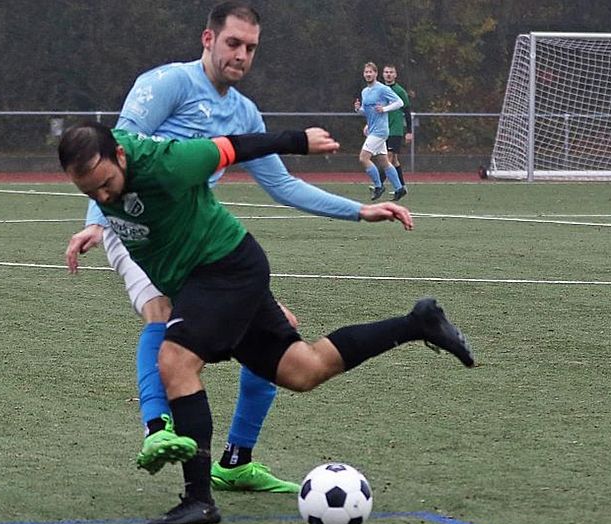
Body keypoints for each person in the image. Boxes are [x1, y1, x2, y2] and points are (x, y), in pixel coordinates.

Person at [66, 1, 411, 495]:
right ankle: (157, 429)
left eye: (250, 47)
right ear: (208, 40)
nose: (242, 55)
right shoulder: (166, 83)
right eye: (233, 43)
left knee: (284, 331)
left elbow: (283, 186)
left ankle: (236, 459)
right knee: (162, 316)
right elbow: (115, 150)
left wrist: (357, 210)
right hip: (137, 229)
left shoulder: (244, 112)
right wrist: (98, 222)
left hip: (201, 244)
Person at [58, 122, 475, 524]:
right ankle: (418, 323)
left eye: (106, 183)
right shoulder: (105, 174)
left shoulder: (169, 163)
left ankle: (199, 499)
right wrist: (95, 222)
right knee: (304, 369)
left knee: (175, 362)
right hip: (210, 278)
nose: (102, 194)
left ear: (120, 155)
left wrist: (299, 141)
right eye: (88, 191)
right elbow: (108, 196)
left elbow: (233, 146)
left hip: (222, 269)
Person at [353, 62, 407, 201]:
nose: (368, 74)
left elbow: (399, 102)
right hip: (373, 130)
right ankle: (399, 188)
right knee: (384, 161)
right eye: (366, 72)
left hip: (380, 131)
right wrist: (359, 110)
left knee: (363, 158)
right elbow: (369, 112)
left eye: (370, 72)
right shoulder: (365, 91)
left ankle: (378, 186)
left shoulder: (382, 89)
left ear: (376, 74)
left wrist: (385, 109)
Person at [382, 64, 413, 191]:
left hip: (395, 129)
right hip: (383, 128)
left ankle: (379, 184)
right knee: (394, 159)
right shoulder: (380, 90)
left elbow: (407, 112)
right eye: (386, 72)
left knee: (387, 157)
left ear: (395, 75)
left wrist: (409, 131)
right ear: (383, 74)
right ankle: (402, 186)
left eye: (391, 72)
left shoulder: (400, 91)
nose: (388, 74)